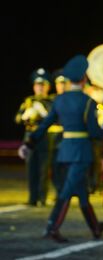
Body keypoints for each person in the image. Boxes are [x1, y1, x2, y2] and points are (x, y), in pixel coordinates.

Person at [18, 56, 103, 242]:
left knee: (81, 192)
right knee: (67, 191)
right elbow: (93, 131)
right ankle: (53, 226)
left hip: (64, 151)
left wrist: (29, 143)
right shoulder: (88, 102)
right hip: (81, 152)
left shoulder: (59, 100)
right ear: (84, 79)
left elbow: (44, 126)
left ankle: (96, 227)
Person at [15, 68, 53, 206]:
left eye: (43, 85)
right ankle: (32, 198)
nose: (40, 88)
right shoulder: (28, 101)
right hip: (29, 135)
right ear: (34, 86)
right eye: (38, 85)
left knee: (44, 168)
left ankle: (43, 198)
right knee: (31, 167)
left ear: (48, 86)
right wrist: (25, 115)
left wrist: (43, 113)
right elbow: (18, 118)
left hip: (44, 137)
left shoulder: (51, 101)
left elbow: (55, 118)